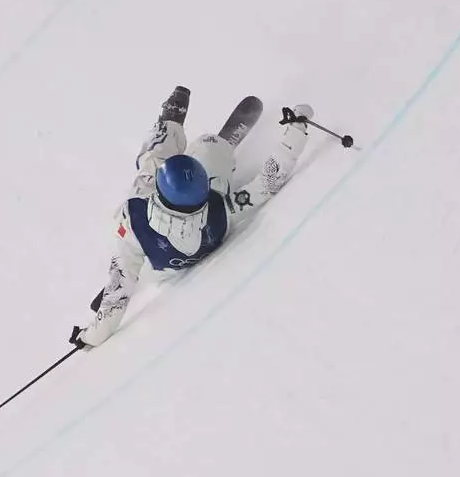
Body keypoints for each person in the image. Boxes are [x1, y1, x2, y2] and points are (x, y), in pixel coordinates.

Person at [69, 86, 313, 348]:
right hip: (195, 241)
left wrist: (89, 336)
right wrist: (296, 132)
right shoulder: (222, 212)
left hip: (157, 266)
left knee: (152, 161)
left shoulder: (134, 223)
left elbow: (116, 297)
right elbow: (267, 184)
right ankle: (217, 150)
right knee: (210, 146)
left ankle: (169, 127)